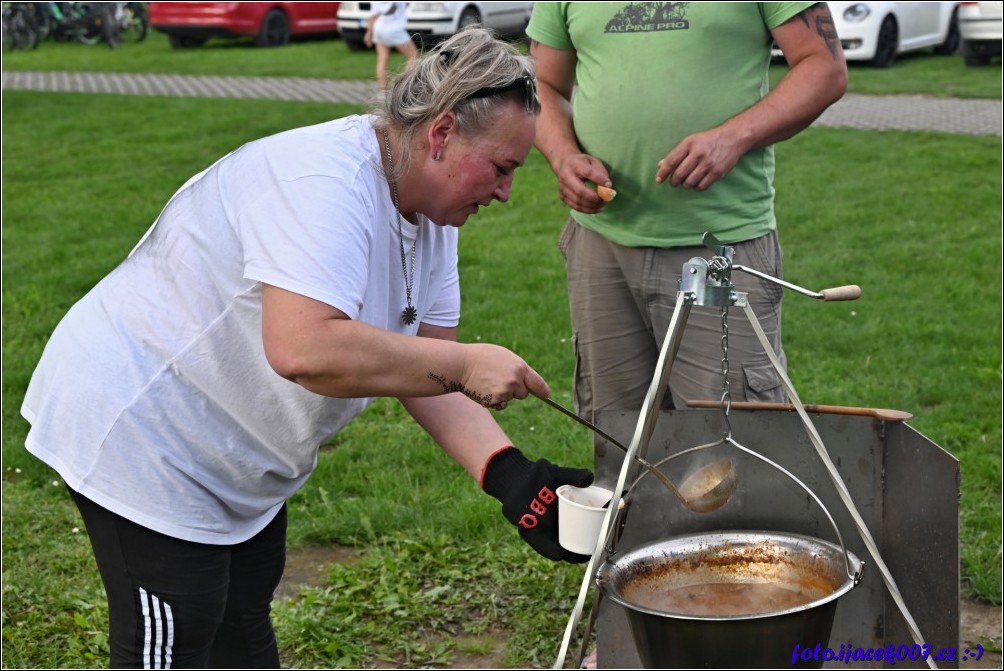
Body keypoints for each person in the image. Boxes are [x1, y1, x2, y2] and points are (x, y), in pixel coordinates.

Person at [20, 27, 593, 669]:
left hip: (235, 454)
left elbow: (423, 370)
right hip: (145, 428)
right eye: (502, 168)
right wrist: (465, 363)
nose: (506, 192)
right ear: (440, 134)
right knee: (179, 633)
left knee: (242, 620)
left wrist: (510, 477)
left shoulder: (432, 219)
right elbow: (303, 348)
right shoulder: (324, 181)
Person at [526, 3, 848, 425]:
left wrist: (732, 138)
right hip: (601, 248)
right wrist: (563, 154)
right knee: (617, 439)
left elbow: (824, 67)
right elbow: (541, 83)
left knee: (731, 446)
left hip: (718, 248)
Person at [364, 1, 419, 90]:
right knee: (413, 56)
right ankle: (405, 87)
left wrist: (368, 33)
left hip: (379, 29)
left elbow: (373, 17)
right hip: (395, 29)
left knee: (382, 60)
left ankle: (383, 92)